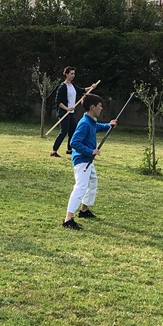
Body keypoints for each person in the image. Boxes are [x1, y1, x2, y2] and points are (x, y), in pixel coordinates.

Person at [62, 93, 117, 230]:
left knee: (92, 182)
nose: (101, 108)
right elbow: (74, 142)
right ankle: (68, 219)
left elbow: (96, 127)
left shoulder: (90, 121)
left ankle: (84, 210)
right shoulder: (85, 123)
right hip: (82, 161)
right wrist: (90, 151)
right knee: (80, 187)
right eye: (100, 106)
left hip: (87, 160)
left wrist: (109, 125)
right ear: (93, 107)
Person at [51, 66, 94, 158]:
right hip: (64, 113)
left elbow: (81, 90)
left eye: (74, 74)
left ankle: (69, 150)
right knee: (63, 132)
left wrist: (91, 87)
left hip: (71, 113)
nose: (73, 75)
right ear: (66, 74)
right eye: (71, 74)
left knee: (73, 131)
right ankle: (54, 151)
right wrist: (67, 108)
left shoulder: (73, 86)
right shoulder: (62, 87)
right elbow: (58, 102)